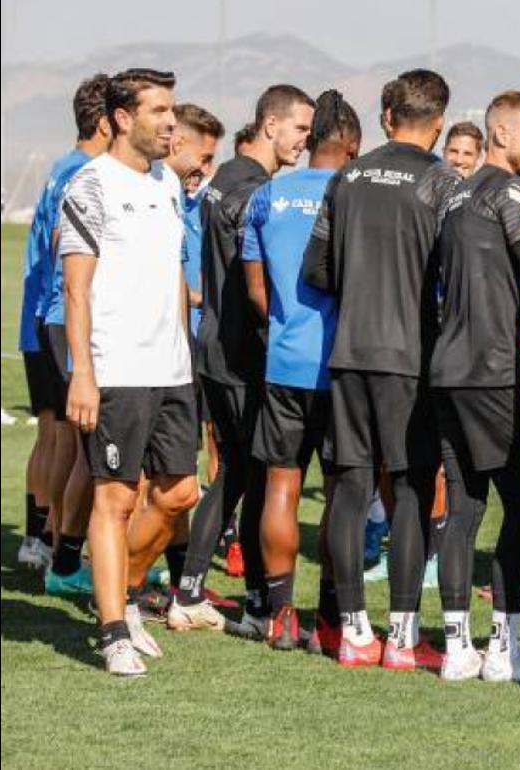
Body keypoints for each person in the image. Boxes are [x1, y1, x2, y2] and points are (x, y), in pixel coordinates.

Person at [302, 69, 460, 668]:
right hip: (409, 360)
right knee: (412, 489)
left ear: (388, 116)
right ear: (439, 123)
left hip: (349, 353)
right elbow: (454, 274)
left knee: (350, 487)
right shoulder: (443, 181)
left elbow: (317, 270)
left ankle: (353, 632)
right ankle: (402, 637)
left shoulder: (346, 177)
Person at [59, 68, 201, 676]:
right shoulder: (89, 185)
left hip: (172, 368)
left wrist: (187, 354)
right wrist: (83, 374)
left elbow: (172, 274)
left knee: (179, 494)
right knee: (115, 500)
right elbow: (76, 291)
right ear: (122, 119)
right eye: (159, 111)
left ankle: (121, 592)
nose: (172, 122)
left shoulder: (167, 182)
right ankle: (114, 629)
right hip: (117, 368)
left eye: (173, 110)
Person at [170, 85, 314, 635]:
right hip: (239, 353)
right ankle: (208, 594)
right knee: (245, 474)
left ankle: (229, 597)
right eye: (300, 128)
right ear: (270, 125)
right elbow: (260, 282)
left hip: (216, 347)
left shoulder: (223, 180)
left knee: (239, 473)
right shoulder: (253, 190)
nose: (304, 141)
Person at [432, 90, 520, 682]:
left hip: (447, 371)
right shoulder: (511, 193)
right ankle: (505, 651)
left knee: (464, 508)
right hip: (490, 374)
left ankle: (457, 649)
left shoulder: (455, 196)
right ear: (501, 135)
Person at [240, 90, 361, 651]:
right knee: (340, 494)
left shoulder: (268, 194)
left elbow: (256, 291)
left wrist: (289, 324)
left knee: (282, 487)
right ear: (353, 144)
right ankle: (330, 617)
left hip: (285, 362)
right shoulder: (355, 194)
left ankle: (281, 614)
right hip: (342, 368)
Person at [122, 102, 224, 615]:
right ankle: (121, 591)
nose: (206, 168)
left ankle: (181, 588)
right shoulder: (142, 189)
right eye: (203, 156)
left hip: (179, 357)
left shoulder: (176, 195)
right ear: (178, 143)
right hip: (141, 361)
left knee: (177, 485)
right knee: (143, 488)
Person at [21, 73, 110, 592]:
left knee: (55, 435)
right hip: (61, 314)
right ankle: (60, 548)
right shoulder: (83, 172)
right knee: (72, 443)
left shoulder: (62, 167)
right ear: (106, 121)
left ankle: (44, 540)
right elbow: (62, 243)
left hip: (40, 315)